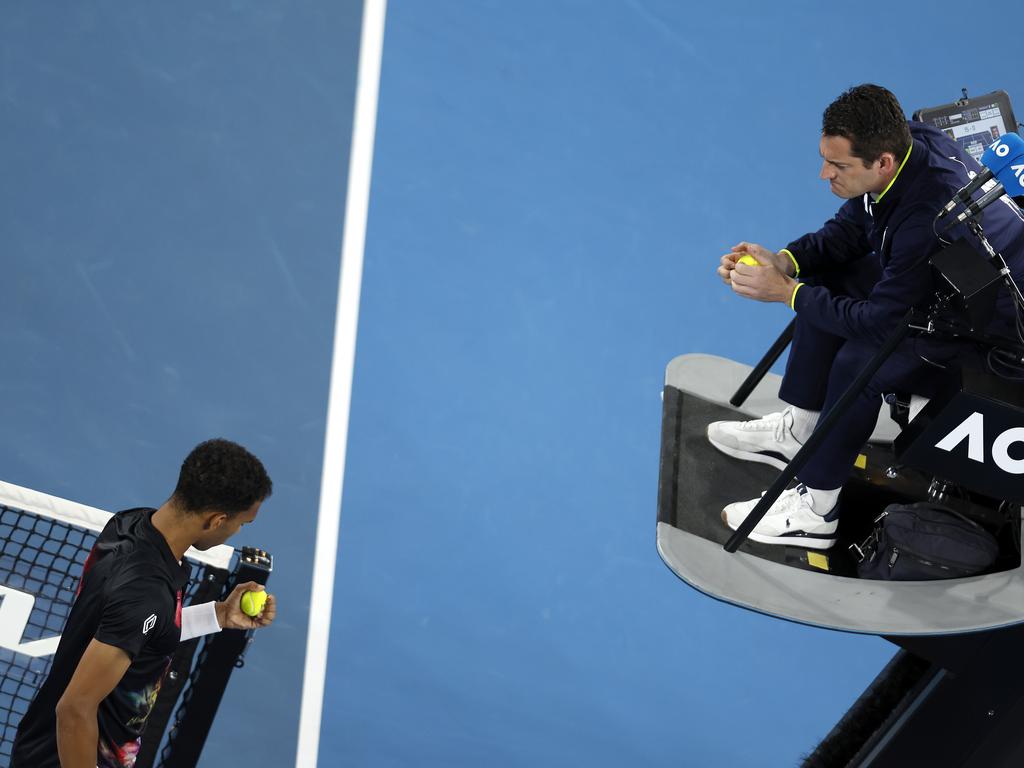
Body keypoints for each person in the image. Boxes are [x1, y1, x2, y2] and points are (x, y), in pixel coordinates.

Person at [708, 84, 1024, 549]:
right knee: (829, 281)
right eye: (825, 159)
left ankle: (817, 510)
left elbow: (878, 325)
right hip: (954, 284)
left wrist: (787, 294)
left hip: (998, 342)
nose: (823, 174)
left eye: (838, 166)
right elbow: (852, 228)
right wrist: (787, 263)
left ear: (882, 163)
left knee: (862, 360)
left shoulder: (927, 216)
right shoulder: (909, 141)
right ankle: (802, 433)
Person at [11, 438, 275, 768]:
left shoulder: (131, 525)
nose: (237, 531)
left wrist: (218, 614)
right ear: (216, 520)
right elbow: (75, 709)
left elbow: (142, 628)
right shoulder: (146, 591)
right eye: (241, 523)